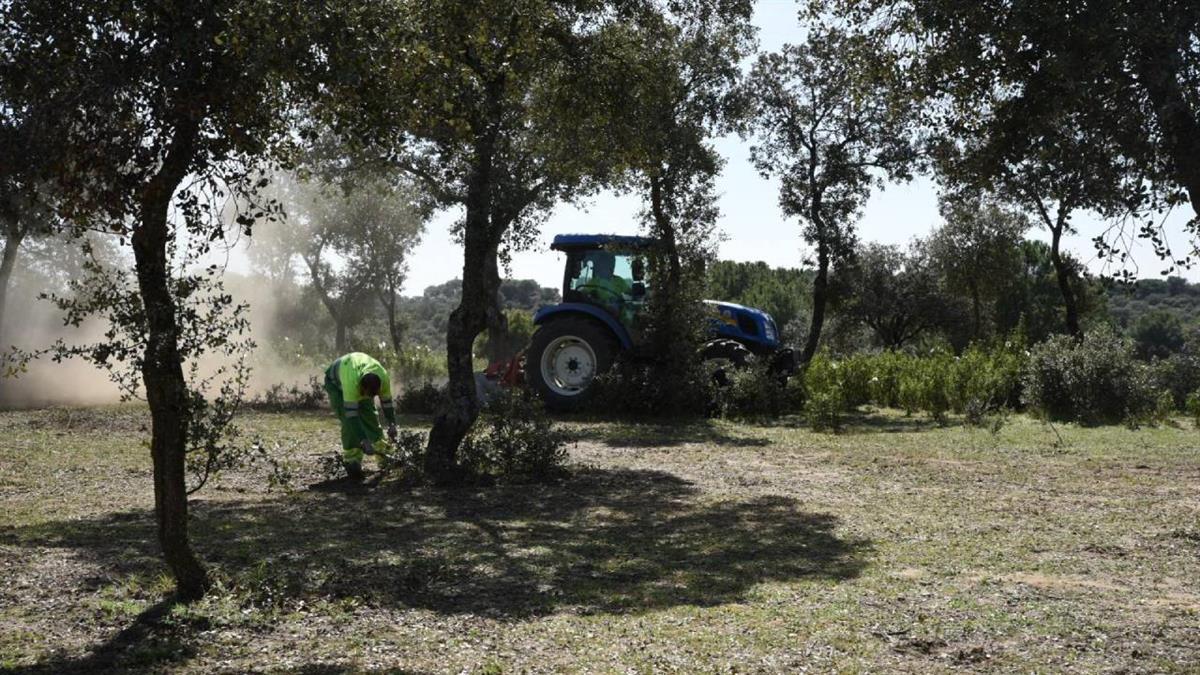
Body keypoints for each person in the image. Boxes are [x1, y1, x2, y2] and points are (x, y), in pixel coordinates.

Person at [323, 352, 398, 480]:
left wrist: (392, 424)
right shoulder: (351, 383)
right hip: (336, 384)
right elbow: (352, 416)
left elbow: (386, 403)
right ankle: (352, 462)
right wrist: (364, 440)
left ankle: (385, 457)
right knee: (348, 424)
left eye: (372, 396)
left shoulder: (383, 378)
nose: (368, 398)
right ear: (361, 387)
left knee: (371, 419)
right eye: (366, 394)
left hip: (357, 374)